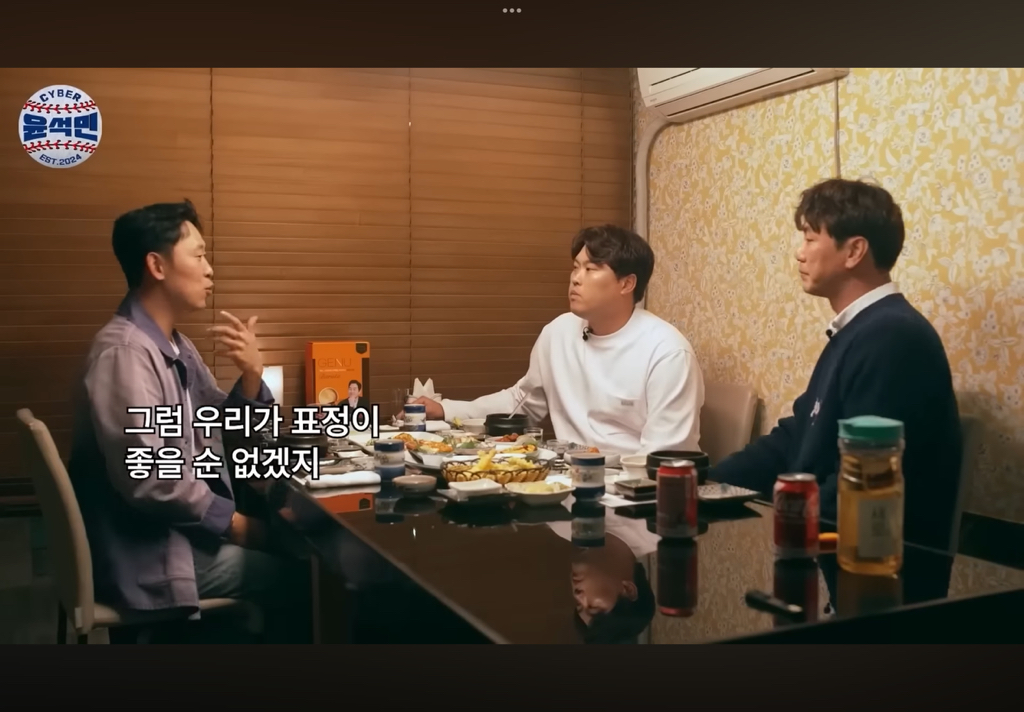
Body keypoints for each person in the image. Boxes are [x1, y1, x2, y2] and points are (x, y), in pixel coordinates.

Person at [67, 199, 311, 642]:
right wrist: (239, 526)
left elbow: (222, 427)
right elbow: (151, 480)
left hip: (171, 533)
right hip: (149, 551)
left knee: (297, 547)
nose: (209, 269)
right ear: (157, 266)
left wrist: (252, 375)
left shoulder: (173, 344)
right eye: (198, 255)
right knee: (305, 576)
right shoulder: (125, 353)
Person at [711, 179, 962, 552]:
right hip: (826, 544)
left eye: (810, 239)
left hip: (873, 565)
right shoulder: (860, 330)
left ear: (854, 251)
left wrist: (779, 530)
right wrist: (706, 484)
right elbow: (796, 436)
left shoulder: (892, 337)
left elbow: (860, 485)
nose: (799, 253)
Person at [410, 225, 705, 456]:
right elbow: (522, 402)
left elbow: (666, 457)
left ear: (626, 283)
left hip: (633, 498)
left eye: (590, 269)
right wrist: (446, 409)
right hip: (566, 483)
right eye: (575, 267)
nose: (575, 278)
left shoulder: (667, 352)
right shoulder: (559, 331)